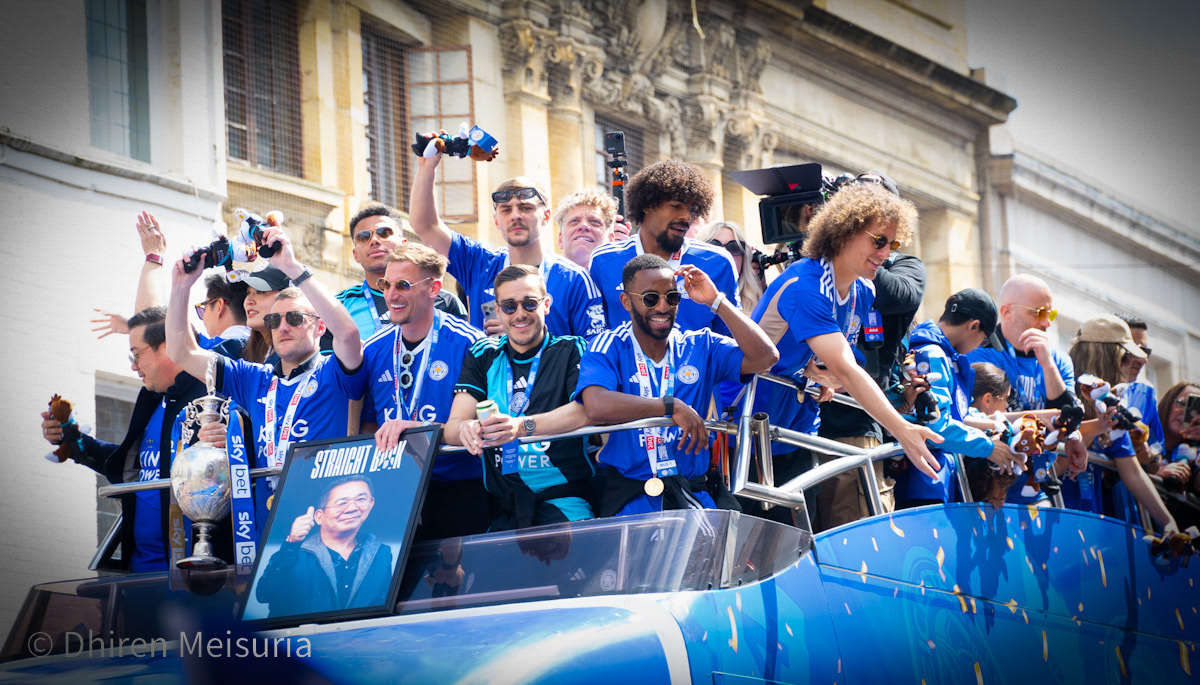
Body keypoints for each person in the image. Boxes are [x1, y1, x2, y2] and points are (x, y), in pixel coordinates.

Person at [751, 182, 943, 527]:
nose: (886, 253)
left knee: (796, 539)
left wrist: (816, 372)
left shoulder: (863, 290)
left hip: (797, 424)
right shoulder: (806, 286)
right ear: (843, 233)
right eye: (878, 240)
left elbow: (840, 366)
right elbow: (847, 370)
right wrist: (901, 428)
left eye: (893, 244)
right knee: (761, 543)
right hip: (750, 425)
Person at [575, 254, 779, 516]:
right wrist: (671, 407)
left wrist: (717, 301)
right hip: (631, 494)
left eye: (672, 298)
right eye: (650, 298)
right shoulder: (609, 345)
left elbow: (766, 357)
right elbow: (596, 405)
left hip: (692, 491)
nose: (663, 307)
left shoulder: (701, 345)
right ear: (626, 301)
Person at [165, 225, 364, 492]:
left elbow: (348, 334)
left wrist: (292, 267)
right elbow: (181, 352)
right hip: (265, 513)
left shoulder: (334, 372)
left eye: (294, 318)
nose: (283, 327)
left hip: (322, 509)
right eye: (274, 320)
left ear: (320, 327)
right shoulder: (254, 378)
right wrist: (181, 287)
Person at [40, 307, 217, 572]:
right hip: (138, 572)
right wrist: (74, 440)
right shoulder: (153, 399)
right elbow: (130, 467)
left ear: (168, 347)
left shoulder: (214, 398)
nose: (133, 366)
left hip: (194, 573)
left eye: (136, 355)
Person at [445, 265, 594, 529]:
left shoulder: (572, 348)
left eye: (529, 303)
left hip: (565, 500)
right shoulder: (483, 352)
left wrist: (521, 427)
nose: (520, 314)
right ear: (498, 310)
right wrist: (466, 429)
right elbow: (453, 426)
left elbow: (584, 411)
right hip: (504, 506)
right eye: (510, 306)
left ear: (546, 304)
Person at [407, 152, 606, 339]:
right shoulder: (480, 264)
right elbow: (425, 226)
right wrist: (426, 167)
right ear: (496, 221)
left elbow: (594, 350)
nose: (515, 215)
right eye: (506, 210)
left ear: (546, 217)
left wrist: (526, 332)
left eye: (525, 208)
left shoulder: (575, 279)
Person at [362, 243, 486, 539]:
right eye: (386, 284)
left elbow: (480, 425)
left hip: (457, 484)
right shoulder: (373, 348)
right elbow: (367, 423)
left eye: (403, 285)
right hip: (393, 487)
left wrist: (418, 429)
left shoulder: (470, 343)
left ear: (434, 289)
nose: (391, 295)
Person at [892, 290, 1021, 507]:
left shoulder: (945, 355)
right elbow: (936, 424)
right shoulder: (931, 353)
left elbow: (956, 412)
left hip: (933, 476)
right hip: (922, 482)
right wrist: (989, 447)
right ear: (973, 326)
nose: (980, 345)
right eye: (985, 339)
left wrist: (993, 425)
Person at [965, 274, 1086, 504]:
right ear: (1008, 312)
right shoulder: (980, 352)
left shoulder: (1058, 360)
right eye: (1039, 313)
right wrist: (1057, 424)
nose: (1047, 322)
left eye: (1051, 314)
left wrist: (1047, 364)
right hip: (985, 491)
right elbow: (992, 418)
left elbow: (1068, 418)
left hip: (1035, 490)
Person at [588, 160, 740, 334]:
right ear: (647, 205)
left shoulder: (718, 262)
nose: (686, 217)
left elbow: (733, 339)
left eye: (693, 209)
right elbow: (593, 334)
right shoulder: (604, 260)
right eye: (675, 206)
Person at [1066, 315, 1177, 533]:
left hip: (1089, 519)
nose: (1137, 362)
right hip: (1051, 514)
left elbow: (1133, 472)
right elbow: (1058, 463)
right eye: (1126, 357)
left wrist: (1169, 524)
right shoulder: (1063, 391)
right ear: (1103, 358)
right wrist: (1097, 425)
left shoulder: (1112, 404)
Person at [255, 476, 392, 617]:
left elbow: (382, 604)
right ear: (319, 516)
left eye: (361, 499)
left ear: (371, 503)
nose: (352, 508)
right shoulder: (294, 554)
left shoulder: (381, 554)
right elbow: (265, 594)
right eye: (342, 503)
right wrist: (291, 544)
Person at [332, 205, 466, 347]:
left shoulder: (445, 301)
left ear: (404, 244)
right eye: (363, 237)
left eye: (384, 232)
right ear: (355, 255)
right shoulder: (337, 306)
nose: (374, 240)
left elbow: (465, 352)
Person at [1114, 313, 1165, 470]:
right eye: (1134, 348)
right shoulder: (1087, 387)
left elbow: (1157, 451)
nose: (1144, 360)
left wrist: (1149, 456)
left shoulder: (1145, 394)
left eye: (1146, 351)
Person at [694, 220, 766, 314]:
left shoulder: (757, 307)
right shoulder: (681, 299)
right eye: (714, 247)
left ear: (743, 259)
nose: (725, 254)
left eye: (734, 248)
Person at [554, 189, 624, 269]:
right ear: (560, 239)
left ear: (610, 239)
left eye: (594, 221)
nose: (583, 225)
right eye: (574, 221)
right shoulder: (544, 275)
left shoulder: (626, 275)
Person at [1157, 382, 1200, 506]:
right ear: (1168, 403)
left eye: (1196, 409)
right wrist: (1157, 473)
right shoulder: (1142, 436)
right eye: (1182, 403)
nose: (1186, 412)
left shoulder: (1194, 452)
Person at [239, 265, 291, 364]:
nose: (248, 301)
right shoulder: (239, 349)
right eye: (248, 293)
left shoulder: (295, 354)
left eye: (260, 292)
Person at [195, 272, 250, 356]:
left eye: (204, 309)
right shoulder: (266, 348)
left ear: (219, 306)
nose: (203, 319)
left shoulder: (205, 352)